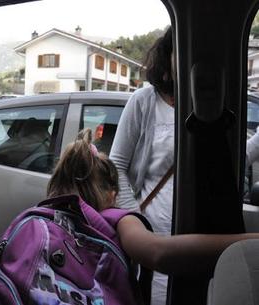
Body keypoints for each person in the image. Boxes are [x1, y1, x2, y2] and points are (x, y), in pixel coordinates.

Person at [109, 27, 259, 305]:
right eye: (184, 50)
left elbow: (231, 166)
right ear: (169, 58)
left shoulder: (215, 105)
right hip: (157, 242)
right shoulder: (144, 101)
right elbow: (116, 165)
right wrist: (136, 222)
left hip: (202, 236)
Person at [47, 128, 259, 303]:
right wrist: (251, 241)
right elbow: (159, 253)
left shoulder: (45, 216)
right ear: (112, 195)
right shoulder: (114, 217)